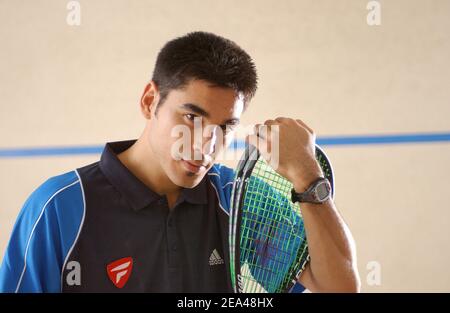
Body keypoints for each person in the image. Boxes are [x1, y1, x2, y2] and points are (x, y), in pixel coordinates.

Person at [0, 31, 360, 292]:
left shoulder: (239, 199)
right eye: (192, 117)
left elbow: (340, 287)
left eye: (225, 127)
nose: (207, 142)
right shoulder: (59, 208)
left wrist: (308, 177)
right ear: (149, 101)